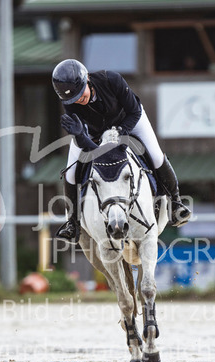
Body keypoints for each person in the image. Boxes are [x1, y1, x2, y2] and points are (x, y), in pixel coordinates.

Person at [51, 58, 192, 242]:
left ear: (87, 79)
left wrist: (120, 132)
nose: (78, 100)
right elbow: (88, 147)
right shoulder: (70, 102)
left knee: (156, 156)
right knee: (70, 173)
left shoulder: (111, 80)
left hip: (129, 121)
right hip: (93, 134)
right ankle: (72, 222)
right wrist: (80, 136)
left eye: (80, 93)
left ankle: (176, 203)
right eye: (73, 98)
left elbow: (134, 112)